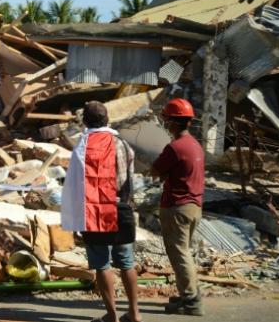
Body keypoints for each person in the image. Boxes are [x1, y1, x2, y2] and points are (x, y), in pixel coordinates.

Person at [61, 101, 141, 322]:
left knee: (102, 264)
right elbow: (130, 175)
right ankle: (135, 314)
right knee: (126, 262)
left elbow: (76, 184)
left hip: (95, 211)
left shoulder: (82, 145)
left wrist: (75, 218)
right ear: (107, 119)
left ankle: (112, 316)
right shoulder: (122, 143)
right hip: (121, 208)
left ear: (85, 121)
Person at [151, 98, 204, 316]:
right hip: (194, 206)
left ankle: (191, 301)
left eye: (167, 120)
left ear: (173, 122)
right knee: (185, 252)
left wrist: (160, 171)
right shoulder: (194, 145)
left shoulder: (174, 148)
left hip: (177, 207)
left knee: (179, 254)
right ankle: (188, 294)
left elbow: (155, 170)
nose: (166, 124)